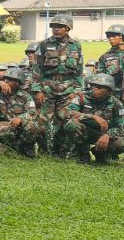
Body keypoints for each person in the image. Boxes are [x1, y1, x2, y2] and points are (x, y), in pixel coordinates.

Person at [32, 15, 85, 159]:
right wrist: (37, 90)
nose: (56, 29)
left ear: (67, 28)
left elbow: (79, 70)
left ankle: (61, 152)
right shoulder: (43, 44)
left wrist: (78, 90)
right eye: (54, 26)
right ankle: (44, 151)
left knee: (64, 120)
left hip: (68, 90)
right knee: (43, 120)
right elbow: (36, 68)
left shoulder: (76, 45)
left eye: (60, 26)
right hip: (47, 89)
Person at [64, 74, 124, 163]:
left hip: (103, 134)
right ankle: (83, 154)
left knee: (122, 145)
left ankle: (100, 153)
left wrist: (107, 135)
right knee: (72, 124)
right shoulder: (82, 97)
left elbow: (120, 128)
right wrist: (92, 116)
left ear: (108, 90)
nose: (95, 89)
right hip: (85, 131)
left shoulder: (117, 104)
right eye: (93, 85)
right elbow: (69, 113)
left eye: (99, 87)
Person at [96, 24, 124, 161]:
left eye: (113, 35)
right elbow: (100, 77)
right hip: (112, 95)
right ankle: (111, 152)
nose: (110, 38)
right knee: (112, 121)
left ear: (122, 36)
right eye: (108, 36)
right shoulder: (105, 57)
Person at [0, 68, 41, 157]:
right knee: (6, 134)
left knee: (33, 127)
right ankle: (11, 149)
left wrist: (20, 118)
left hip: (19, 126)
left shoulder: (26, 97)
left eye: (10, 80)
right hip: (2, 126)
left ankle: (27, 149)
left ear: (18, 83)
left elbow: (32, 112)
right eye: (5, 79)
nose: (6, 81)